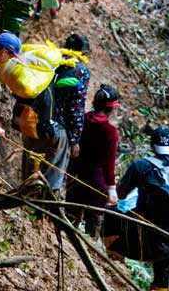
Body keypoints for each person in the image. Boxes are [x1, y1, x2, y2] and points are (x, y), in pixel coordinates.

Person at [2, 32, 70, 194]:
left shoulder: (29, 81)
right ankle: (42, 200)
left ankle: (27, 193)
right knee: (50, 168)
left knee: (30, 162)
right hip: (46, 129)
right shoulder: (44, 81)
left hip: (29, 127)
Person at [115, 126, 169, 290]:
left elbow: (121, 195)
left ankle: (115, 259)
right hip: (166, 238)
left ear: (152, 146)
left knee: (111, 213)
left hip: (145, 232)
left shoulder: (141, 166)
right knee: (163, 278)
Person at [66, 84, 119, 238]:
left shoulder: (81, 120)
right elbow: (109, 164)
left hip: (74, 174)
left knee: (70, 214)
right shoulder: (110, 132)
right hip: (96, 182)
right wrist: (111, 189)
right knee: (93, 220)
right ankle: (90, 248)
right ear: (111, 109)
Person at [52, 33, 92, 158]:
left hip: (37, 122)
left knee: (30, 171)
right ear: (83, 53)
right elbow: (76, 108)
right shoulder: (80, 71)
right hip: (58, 130)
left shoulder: (53, 62)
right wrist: (74, 140)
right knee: (51, 176)